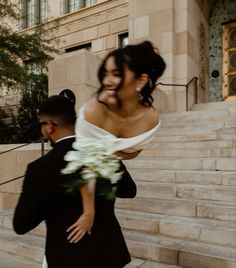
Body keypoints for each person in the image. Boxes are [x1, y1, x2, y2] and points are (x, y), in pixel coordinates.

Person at [13, 95, 136, 268]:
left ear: (49, 126)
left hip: (68, 258)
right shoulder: (101, 152)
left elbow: (21, 224)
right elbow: (129, 190)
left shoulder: (40, 168)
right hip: (110, 255)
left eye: (41, 123)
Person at [67, 40, 166, 243]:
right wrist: (88, 213)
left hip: (106, 168)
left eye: (117, 74)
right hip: (78, 170)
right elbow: (85, 166)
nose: (107, 81)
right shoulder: (93, 111)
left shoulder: (150, 119)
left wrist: (109, 152)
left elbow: (134, 151)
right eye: (105, 73)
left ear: (140, 81)